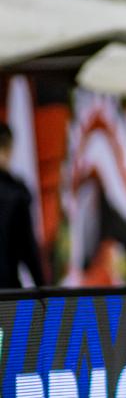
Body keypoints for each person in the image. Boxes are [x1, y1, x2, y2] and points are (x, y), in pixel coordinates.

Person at [0, 122, 45, 289]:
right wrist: (44, 290)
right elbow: (29, 250)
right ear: (8, 148)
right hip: (7, 294)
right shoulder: (16, 193)